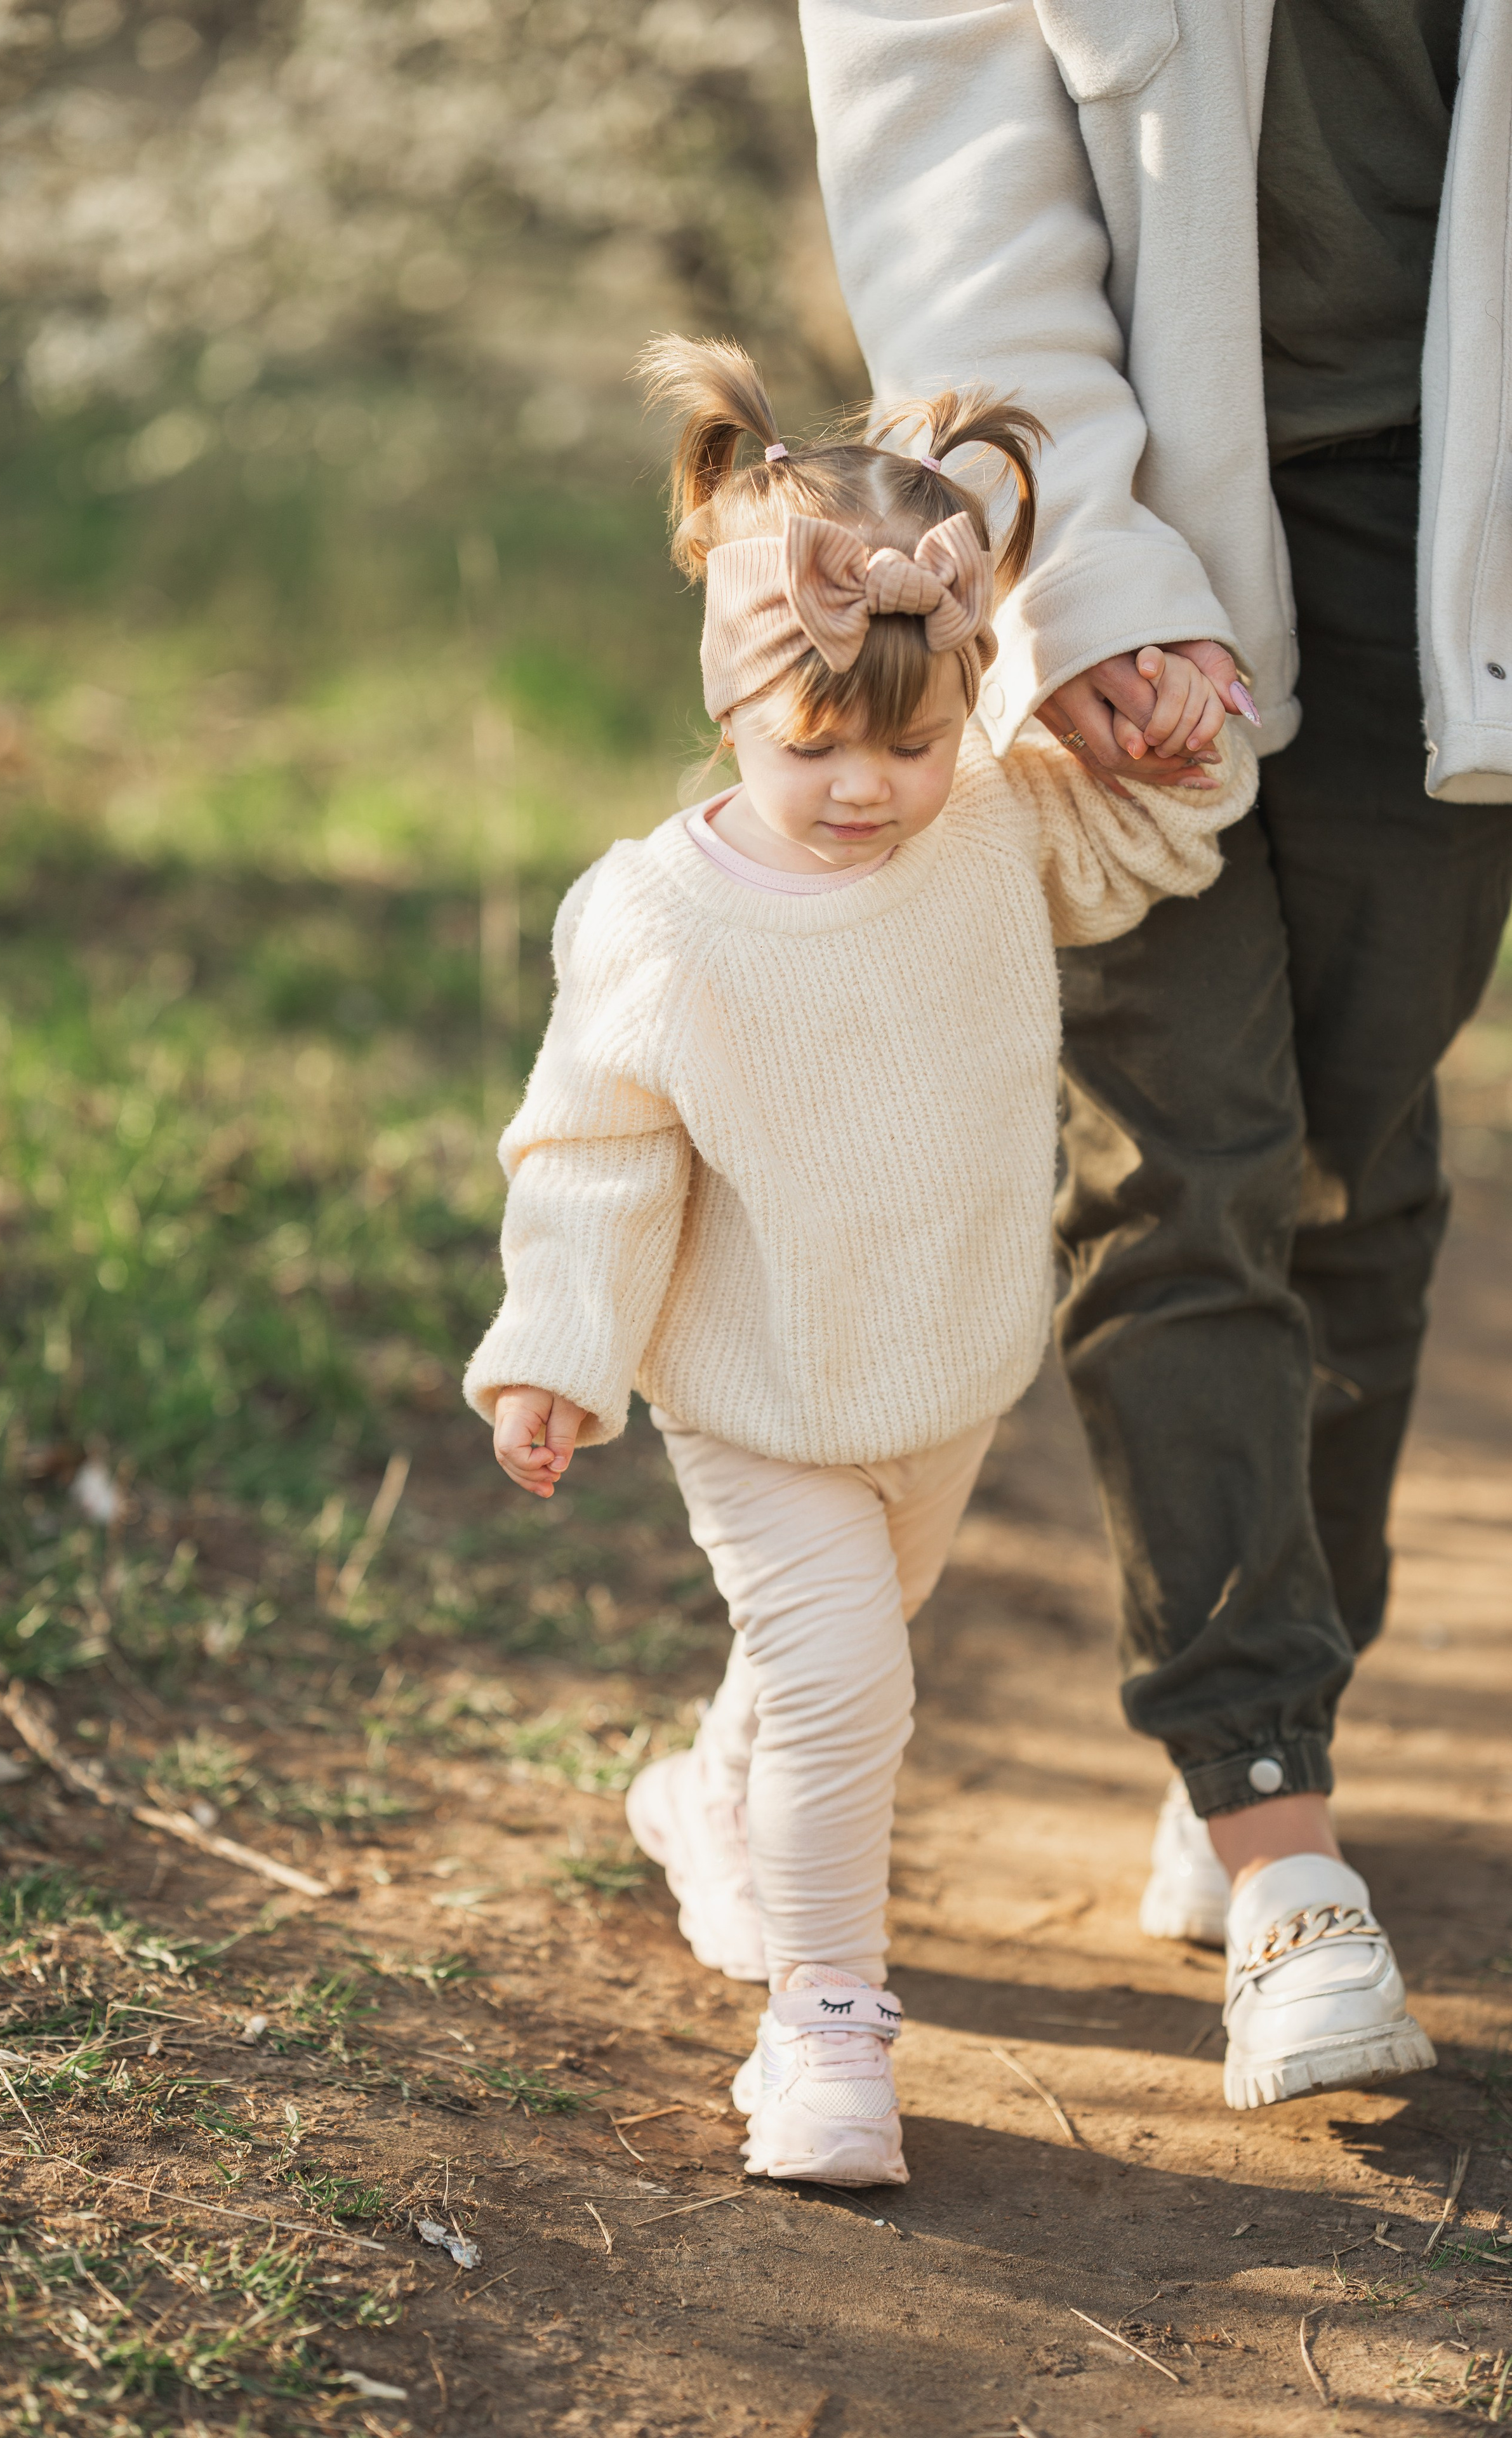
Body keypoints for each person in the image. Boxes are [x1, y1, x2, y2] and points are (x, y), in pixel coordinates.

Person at [797, 0, 1512, 2107]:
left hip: (1457, 528)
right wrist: (1082, 579)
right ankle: (1275, 1821)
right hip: (1110, 484)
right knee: (1181, 1149)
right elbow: (943, 156)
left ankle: (1274, 1698)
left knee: (1353, 1161)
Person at [465, 335, 1259, 2185]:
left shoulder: (985, 827)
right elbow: (590, 1153)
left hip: (944, 1362)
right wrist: (555, 1351)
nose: (867, 789)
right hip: (753, 1380)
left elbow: (1158, 837)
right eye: (821, 745)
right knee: (849, 1681)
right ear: (734, 701)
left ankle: (704, 1795)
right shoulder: (659, 918)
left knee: (837, 1649)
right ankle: (825, 2026)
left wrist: (1165, 733)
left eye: (912, 743)